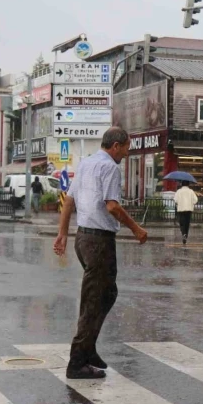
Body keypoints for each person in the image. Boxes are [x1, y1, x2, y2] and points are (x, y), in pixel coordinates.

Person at [53, 127, 148, 380]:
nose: (127, 153)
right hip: (98, 241)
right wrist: (136, 229)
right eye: (126, 147)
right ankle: (77, 363)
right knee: (94, 301)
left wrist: (63, 234)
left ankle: (88, 348)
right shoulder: (110, 168)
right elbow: (113, 206)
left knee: (106, 294)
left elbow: (69, 201)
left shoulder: (85, 163)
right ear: (115, 146)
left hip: (83, 238)